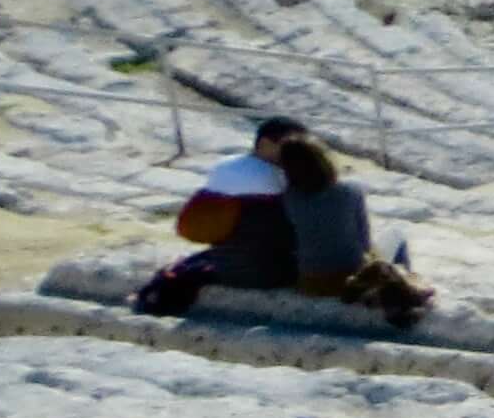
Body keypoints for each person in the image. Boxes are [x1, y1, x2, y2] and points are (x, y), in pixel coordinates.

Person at [133, 117, 309, 315]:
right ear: (265, 144)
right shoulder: (276, 178)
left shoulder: (224, 166)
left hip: (226, 262)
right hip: (268, 271)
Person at [268, 128, 429, 329]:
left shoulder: (290, 198)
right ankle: (402, 287)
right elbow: (364, 242)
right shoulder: (350, 190)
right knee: (396, 235)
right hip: (352, 277)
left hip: (311, 283)